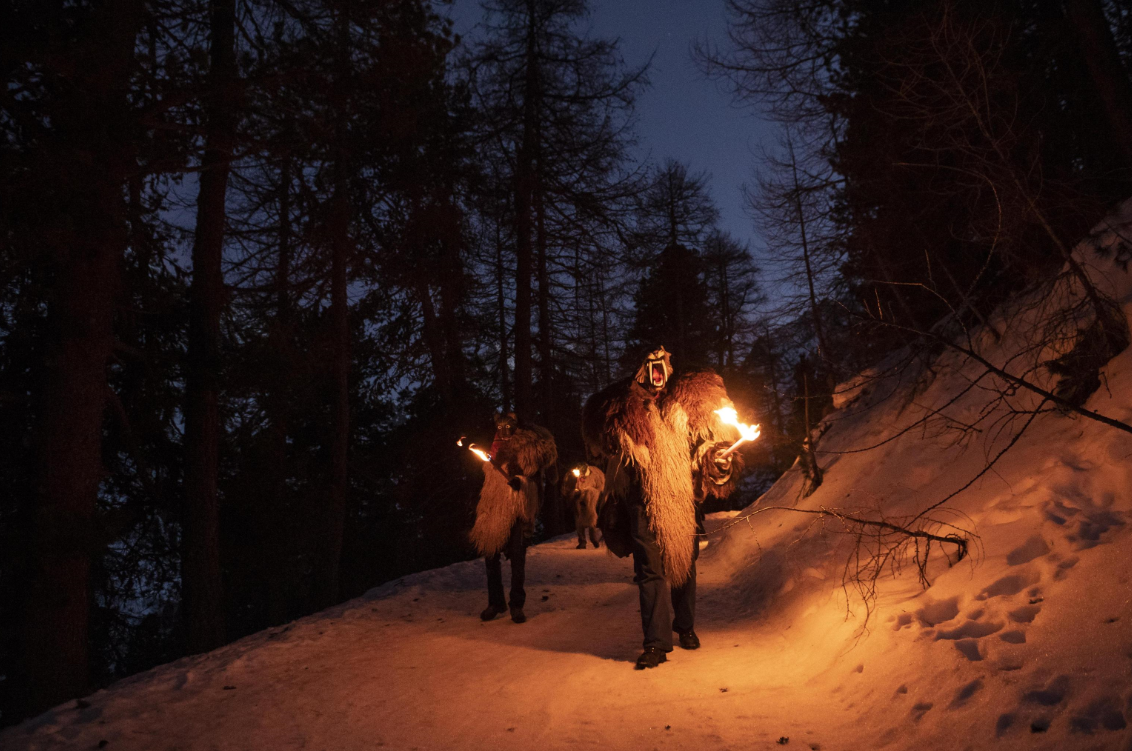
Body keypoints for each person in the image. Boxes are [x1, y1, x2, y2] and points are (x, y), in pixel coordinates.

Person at [582, 347, 743, 669]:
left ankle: (684, 626)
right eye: (652, 370)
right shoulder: (629, 410)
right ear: (642, 371)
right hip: (642, 503)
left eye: (664, 369)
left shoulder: (686, 410)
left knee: (683, 566)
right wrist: (634, 392)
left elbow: (708, 445)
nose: (659, 375)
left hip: (682, 501)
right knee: (649, 571)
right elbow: (601, 432)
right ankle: (656, 643)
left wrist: (718, 460)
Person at [469, 412, 557, 624]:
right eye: (500, 428)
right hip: (492, 507)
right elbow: (487, 471)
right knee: (490, 556)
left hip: (516, 508)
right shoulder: (492, 446)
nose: (504, 432)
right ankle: (495, 603)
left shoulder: (526, 447)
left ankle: (517, 605)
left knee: (517, 557)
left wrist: (521, 483)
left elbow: (534, 479)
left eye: (508, 428)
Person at [561, 464, 605, 549]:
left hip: (591, 500)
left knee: (591, 518)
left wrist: (589, 492)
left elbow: (601, 488)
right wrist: (573, 492)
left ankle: (593, 538)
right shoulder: (574, 473)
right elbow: (567, 486)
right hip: (579, 499)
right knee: (579, 518)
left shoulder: (596, 473)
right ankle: (582, 541)